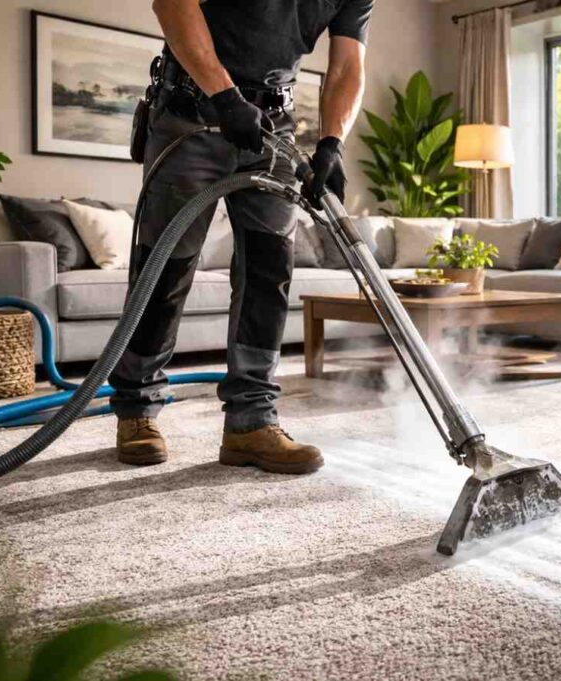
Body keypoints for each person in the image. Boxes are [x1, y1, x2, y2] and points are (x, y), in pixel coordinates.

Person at [110, 0, 373, 474]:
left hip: (274, 123)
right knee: (166, 265)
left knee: (270, 269)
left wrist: (333, 141)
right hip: (190, 108)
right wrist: (225, 95)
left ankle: (251, 422)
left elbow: (348, 65)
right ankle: (137, 409)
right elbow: (172, 4)